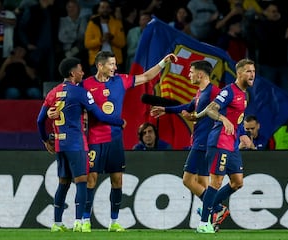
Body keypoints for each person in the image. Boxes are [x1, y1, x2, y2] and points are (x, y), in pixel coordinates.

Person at [48, 51, 178, 232]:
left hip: (116, 139)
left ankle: (114, 221)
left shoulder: (121, 81)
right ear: (100, 66)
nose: (115, 68)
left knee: (117, 180)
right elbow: (63, 95)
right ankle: (85, 220)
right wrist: (51, 112)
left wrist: (163, 62)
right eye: (111, 64)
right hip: (94, 138)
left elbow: (147, 76)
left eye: (115, 64)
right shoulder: (85, 84)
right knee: (91, 180)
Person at [37, 57, 125, 233]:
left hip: (60, 144)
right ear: (72, 73)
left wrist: (46, 140)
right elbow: (99, 115)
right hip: (77, 144)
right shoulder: (80, 92)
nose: (83, 73)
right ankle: (79, 222)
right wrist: (119, 121)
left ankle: (57, 223)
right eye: (80, 70)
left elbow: (40, 120)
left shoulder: (53, 92)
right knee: (82, 183)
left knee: (63, 183)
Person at [194, 58, 256, 233]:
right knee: (216, 181)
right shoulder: (228, 91)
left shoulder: (245, 95)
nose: (252, 74)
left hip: (233, 144)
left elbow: (239, 119)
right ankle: (203, 223)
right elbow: (212, 109)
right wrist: (223, 119)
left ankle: (209, 206)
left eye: (253, 71)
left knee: (237, 182)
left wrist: (243, 135)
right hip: (220, 141)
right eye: (248, 71)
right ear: (239, 73)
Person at [150, 60, 219, 204]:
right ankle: (209, 219)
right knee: (202, 181)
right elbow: (189, 106)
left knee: (187, 180)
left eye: (191, 72)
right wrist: (165, 109)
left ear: (200, 75)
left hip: (203, 142)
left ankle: (217, 208)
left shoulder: (214, 92)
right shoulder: (201, 92)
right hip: (201, 141)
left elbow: (224, 111)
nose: (189, 75)